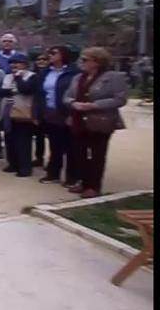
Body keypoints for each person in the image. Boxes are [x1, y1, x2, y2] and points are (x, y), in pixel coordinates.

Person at [63, 47, 128, 198]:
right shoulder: (78, 78)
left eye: (85, 60)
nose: (82, 62)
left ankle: (94, 186)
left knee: (97, 155)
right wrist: (73, 103)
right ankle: (83, 182)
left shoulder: (114, 77)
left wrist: (94, 105)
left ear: (97, 61)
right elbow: (66, 97)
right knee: (79, 154)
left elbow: (120, 99)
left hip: (100, 121)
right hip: (78, 120)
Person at [27, 46, 80, 186]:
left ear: (64, 55)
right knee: (55, 146)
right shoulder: (45, 73)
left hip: (68, 113)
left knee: (71, 147)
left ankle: (72, 177)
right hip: (50, 113)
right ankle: (53, 174)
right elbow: (38, 94)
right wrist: (36, 113)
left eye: (53, 53)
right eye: (49, 52)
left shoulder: (74, 72)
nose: (50, 55)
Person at [0, 53, 37, 177]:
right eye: (12, 62)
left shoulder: (32, 76)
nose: (14, 65)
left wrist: (18, 78)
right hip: (8, 109)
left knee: (23, 140)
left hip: (23, 111)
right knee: (9, 138)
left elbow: (26, 89)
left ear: (25, 64)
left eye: (17, 62)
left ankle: (25, 167)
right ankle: (12, 164)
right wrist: (12, 90)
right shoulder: (7, 76)